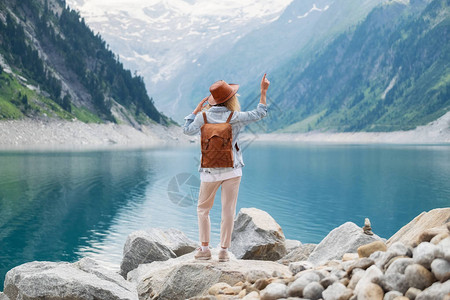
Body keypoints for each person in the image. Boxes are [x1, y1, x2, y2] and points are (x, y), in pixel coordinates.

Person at [182, 74, 270, 262]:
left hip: (209, 171)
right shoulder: (235, 117)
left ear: (213, 100)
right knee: (228, 210)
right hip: (232, 170)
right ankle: (223, 251)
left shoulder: (202, 117)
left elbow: (186, 130)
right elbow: (260, 113)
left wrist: (195, 111)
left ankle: (205, 249)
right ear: (230, 99)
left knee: (203, 210)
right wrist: (263, 92)